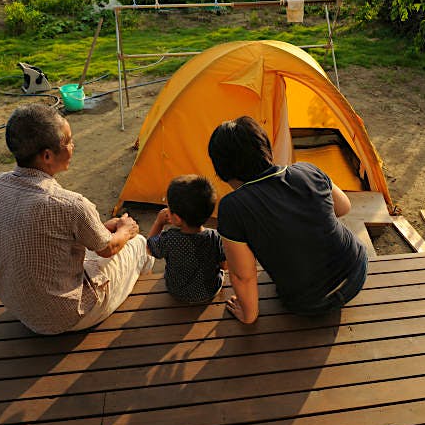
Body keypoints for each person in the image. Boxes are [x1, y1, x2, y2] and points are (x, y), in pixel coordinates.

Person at [0, 104, 155, 335]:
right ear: (47, 156)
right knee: (139, 244)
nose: (73, 146)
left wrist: (101, 229)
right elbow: (108, 249)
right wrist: (125, 230)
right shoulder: (70, 204)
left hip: (19, 307)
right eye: (69, 141)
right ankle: (145, 314)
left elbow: (46, 238)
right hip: (67, 316)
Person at [208, 115, 368, 324]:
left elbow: (243, 275)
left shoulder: (232, 207)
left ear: (222, 169)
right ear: (265, 148)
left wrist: (248, 315)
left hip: (310, 302)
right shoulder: (306, 170)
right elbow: (343, 207)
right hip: (356, 270)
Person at [146, 175, 227, 303]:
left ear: (177, 219)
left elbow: (149, 248)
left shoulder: (169, 238)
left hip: (177, 292)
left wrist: (159, 223)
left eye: (169, 208)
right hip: (209, 291)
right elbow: (224, 265)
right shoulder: (215, 237)